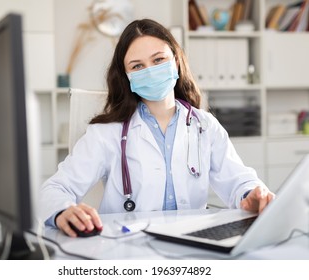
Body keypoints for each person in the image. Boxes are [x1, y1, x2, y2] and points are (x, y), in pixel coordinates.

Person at [39, 19, 275, 237]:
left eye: (158, 60)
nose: (150, 70)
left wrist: (251, 196)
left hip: (194, 242)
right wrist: (62, 211)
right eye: (137, 65)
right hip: (127, 247)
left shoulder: (205, 126)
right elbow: (55, 189)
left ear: (176, 60)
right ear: (126, 76)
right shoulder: (107, 133)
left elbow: (240, 181)